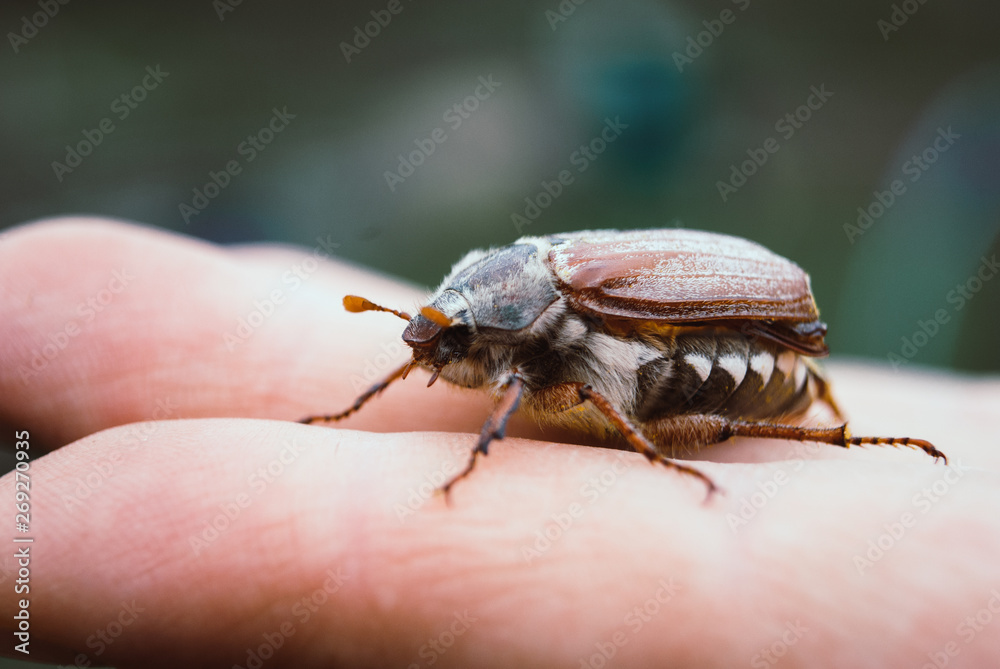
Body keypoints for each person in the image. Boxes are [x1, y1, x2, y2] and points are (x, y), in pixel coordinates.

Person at [1, 217, 997, 668]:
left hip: (727, 351)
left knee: (656, 394)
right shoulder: (494, 313)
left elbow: (562, 382)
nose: (434, 351)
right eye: (437, 337)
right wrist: (356, 407)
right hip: (662, 356)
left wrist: (490, 447)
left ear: (503, 317)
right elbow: (439, 351)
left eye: (452, 337)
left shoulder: (550, 326)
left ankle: (835, 438)